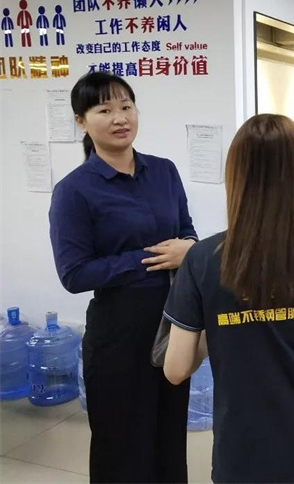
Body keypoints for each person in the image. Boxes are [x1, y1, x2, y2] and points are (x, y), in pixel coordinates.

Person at [162, 114, 294, 484]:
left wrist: (226, 328)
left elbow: (176, 368)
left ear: (236, 175)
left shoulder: (203, 259)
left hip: (245, 450)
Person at [49, 72, 197, 483]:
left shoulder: (164, 171)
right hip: (118, 334)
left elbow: (187, 231)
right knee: (122, 445)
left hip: (173, 325)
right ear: (81, 121)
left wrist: (189, 248)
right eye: (105, 110)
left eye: (126, 107)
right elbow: (74, 273)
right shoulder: (74, 191)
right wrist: (151, 258)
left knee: (169, 436)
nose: (120, 118)